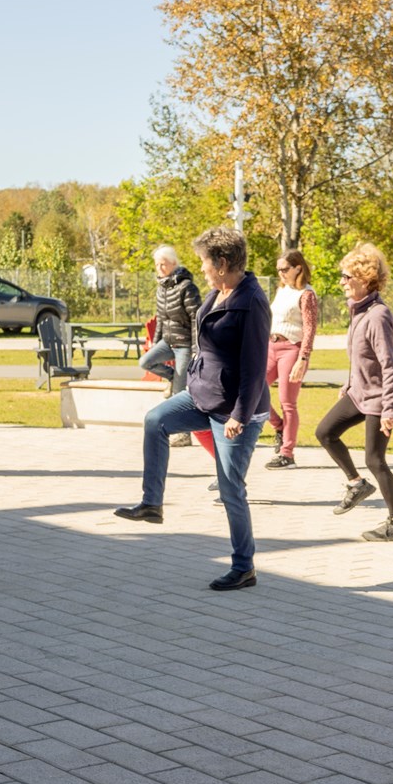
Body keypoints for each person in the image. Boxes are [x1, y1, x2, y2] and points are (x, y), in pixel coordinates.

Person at [113, 227, 270, 591]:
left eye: (204, 262)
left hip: (234, 408)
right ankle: (152, 503)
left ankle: (243, 566)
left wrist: (240, 415)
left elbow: (254, 367)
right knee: (156, 419)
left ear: (222, 263)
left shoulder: (251, 301)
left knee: (231, 489)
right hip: (203, 395)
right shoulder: (217, 293)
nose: (201, 268)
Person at [315, 243, 393, 541]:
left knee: (375, 460)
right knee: (325, 432)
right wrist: (349, 383)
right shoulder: (360, 311)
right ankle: (357, 484)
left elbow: (390, 364)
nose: (341, 282)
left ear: (365, 279)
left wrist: (390, 408)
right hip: (359, 393)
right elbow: (361, 357)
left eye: (347, 276)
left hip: (380, 399)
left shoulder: (378, 315)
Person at [140, 245, 202, 446]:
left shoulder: (187, 287)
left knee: (179, 392)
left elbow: (196, 318)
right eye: (157, 264)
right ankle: (172, 377)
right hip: (167, 341)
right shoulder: (161, 288)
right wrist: (155, 341)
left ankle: (184, 435)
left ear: (174, 264)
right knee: (145, 362)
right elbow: (161, 318)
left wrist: (196, 348)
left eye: (163, 264)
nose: (159, 268)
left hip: (184, 343)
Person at [264, 249, 319, 469]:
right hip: (271, 346)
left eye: (285, 269)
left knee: (287, 402)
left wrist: (303, 358)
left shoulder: (306, 294)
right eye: (278, 269)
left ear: (298, 268)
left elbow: (310, 329)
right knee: (251, 388)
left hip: (292, 349)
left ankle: (287, 454)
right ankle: (278, 426)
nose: (280, 273)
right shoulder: (282, 290)